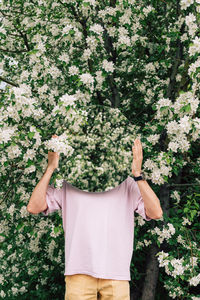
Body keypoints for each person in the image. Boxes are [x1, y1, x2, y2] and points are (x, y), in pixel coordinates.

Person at [27, 134, 163, 300]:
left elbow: (156, 212)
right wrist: (51, 168)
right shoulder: (67, 184)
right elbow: (34, 206)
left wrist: (137, 175)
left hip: (116, 274)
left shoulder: (127, 184)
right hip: (79, 273)